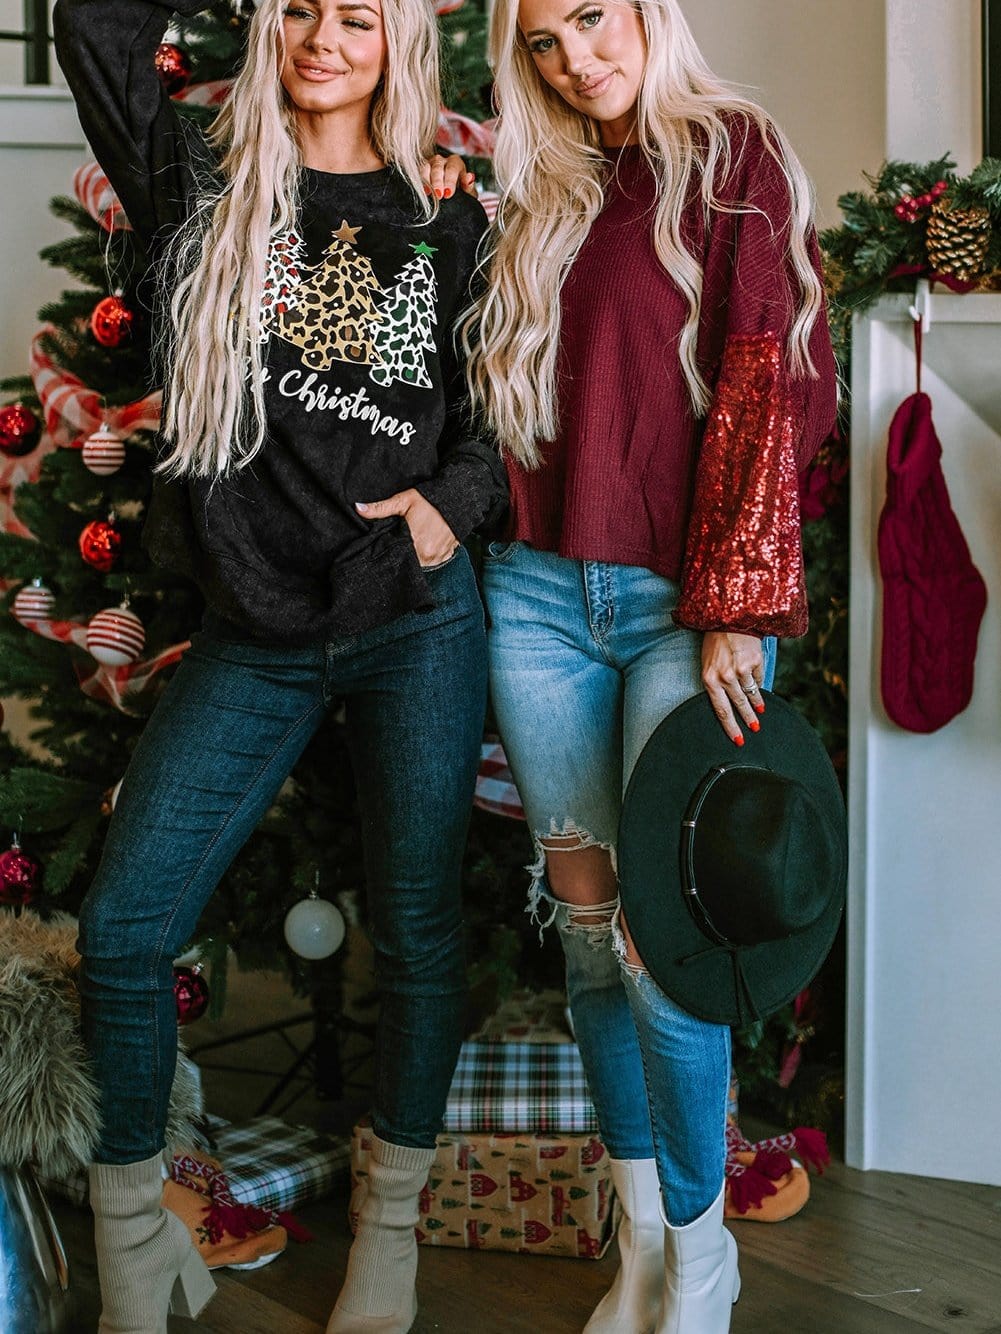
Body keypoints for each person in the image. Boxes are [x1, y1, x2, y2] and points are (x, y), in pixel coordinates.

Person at [52, 0, 505, 1329]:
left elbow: (493, 419)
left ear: (396, 43)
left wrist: (441, 509)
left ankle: (392, 1229)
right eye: (300, 8)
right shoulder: (200, 177)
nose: (322, 38)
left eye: (355, 17)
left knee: (418, 931)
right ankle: (137, 1240)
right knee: (126, 931)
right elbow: (94, 25)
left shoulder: (447, 216)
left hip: (413, 617)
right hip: (253, 631)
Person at [464, 0, 836, 1329]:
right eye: (545, 44)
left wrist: (736, 594)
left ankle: (700, 1249)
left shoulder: (729, 150)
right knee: (580, 928)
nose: (576, 56)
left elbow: (768, 369)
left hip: (684, 603)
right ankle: (637, 1239)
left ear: (644, 13)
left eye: (590, 19)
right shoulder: (536, 184)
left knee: (663, 941)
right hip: (532, 596)